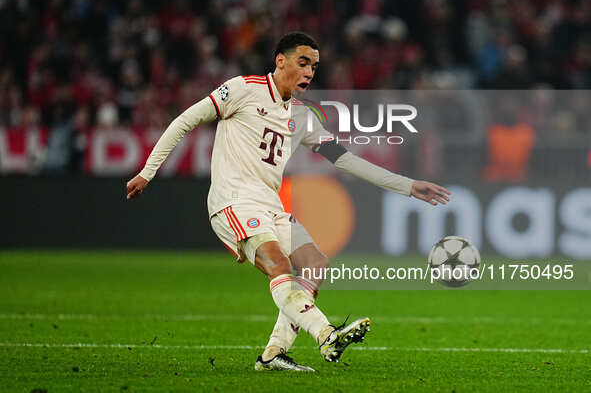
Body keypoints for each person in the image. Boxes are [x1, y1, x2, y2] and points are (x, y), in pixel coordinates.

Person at [126, 32, 450, 372]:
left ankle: (273, 354)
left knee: (315, 263)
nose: (310, 72)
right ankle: (326, 334)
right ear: (280, 60)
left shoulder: (303, 116)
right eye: (303, 63)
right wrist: (148, 171)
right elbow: (185, 120)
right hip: (233, 201)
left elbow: (345, 159)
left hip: (270, 206)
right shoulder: (242, 89)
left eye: (314, 66)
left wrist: (407, 185)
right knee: (279, 266)